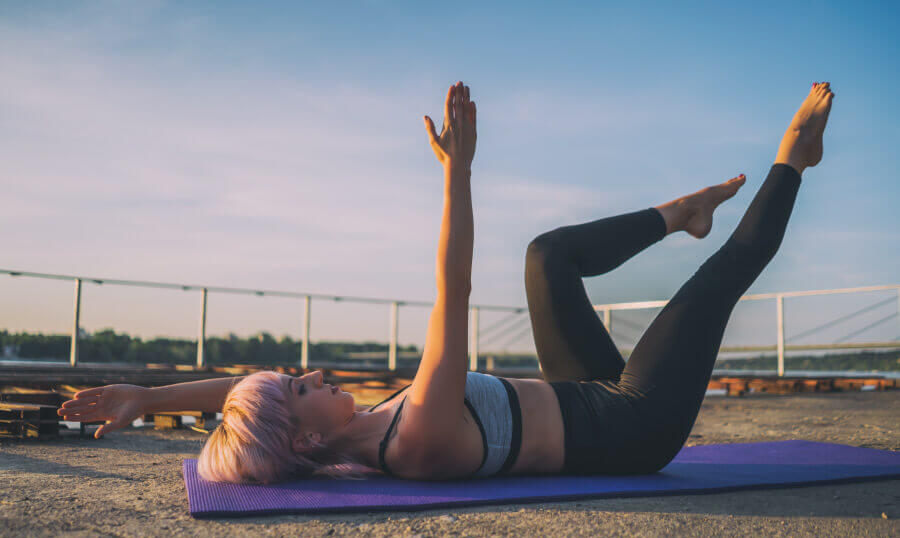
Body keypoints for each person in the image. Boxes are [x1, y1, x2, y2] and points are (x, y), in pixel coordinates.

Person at [58, 81, 835, 483]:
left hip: (584, 392)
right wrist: (458, 173)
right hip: (635, 425)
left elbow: (248, 398)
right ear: (308, 437)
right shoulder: (417, 435)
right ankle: (793, 159)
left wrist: (146, 398)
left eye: (297, 375)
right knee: (716, 281)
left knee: (545, 257)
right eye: (303, 388)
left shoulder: (346, 432)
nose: (316, 375)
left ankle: (681, 213)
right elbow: (453, 291)